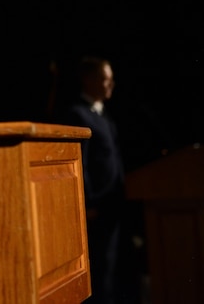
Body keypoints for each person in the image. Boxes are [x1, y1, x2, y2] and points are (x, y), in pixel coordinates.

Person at [54, 56, 125, 304]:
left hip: (113, 205)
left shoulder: (105, 116)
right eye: (105, 79)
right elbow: (79, 164)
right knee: (99, 273)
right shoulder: (78, 115)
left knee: (112, 270)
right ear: (89, 80)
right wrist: (89, 203)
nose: (110, 85)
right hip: (96, 209)